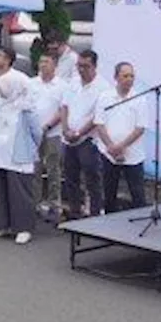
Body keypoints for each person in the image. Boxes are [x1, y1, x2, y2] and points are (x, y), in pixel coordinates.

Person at [0, 48, 39, 244]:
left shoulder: (25, 107)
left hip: (19, 153)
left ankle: (24, 227)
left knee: (20, 191)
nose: (2, 90)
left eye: (5, 87)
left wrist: (32, 148)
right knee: (2, 189)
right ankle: (3, 224)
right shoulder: (2, 105)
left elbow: (37, 131)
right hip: (0, 152)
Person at [94, 62, 148, 214]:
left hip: (133, 155)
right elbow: (99, 124)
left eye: (132, 76)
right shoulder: (105, 97)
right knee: (109, 193)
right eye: (125, 76)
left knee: (138, 195)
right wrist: (111, 147)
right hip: (108, 153)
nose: (129, 79)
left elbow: (140, 128)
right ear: (116, 77)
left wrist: (121, 147)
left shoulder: (139, 98)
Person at [62, 50, 109, 220]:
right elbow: (64, 106)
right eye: (79, 66)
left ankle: (95, 213)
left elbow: (97, 117)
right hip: (68, 138)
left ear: (95, 66)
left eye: (86, 66)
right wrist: (65, 128)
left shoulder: (103, 87)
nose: (81, 70)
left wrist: (79, 133)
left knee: (92, 178)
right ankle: (75, 212)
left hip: (89, 139)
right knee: (70, 177)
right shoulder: (73, 82)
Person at [30, 53, 68, 221]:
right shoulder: (32, 84)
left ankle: (55, 204)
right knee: (35, 169)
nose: (43, 65)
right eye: (41, 61)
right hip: (34, 133)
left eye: (47, 61)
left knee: (53, 169)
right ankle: (35, 204)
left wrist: (48, 125)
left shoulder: (62, 85)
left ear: (54, 66)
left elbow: (63, 110)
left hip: (53, 133)